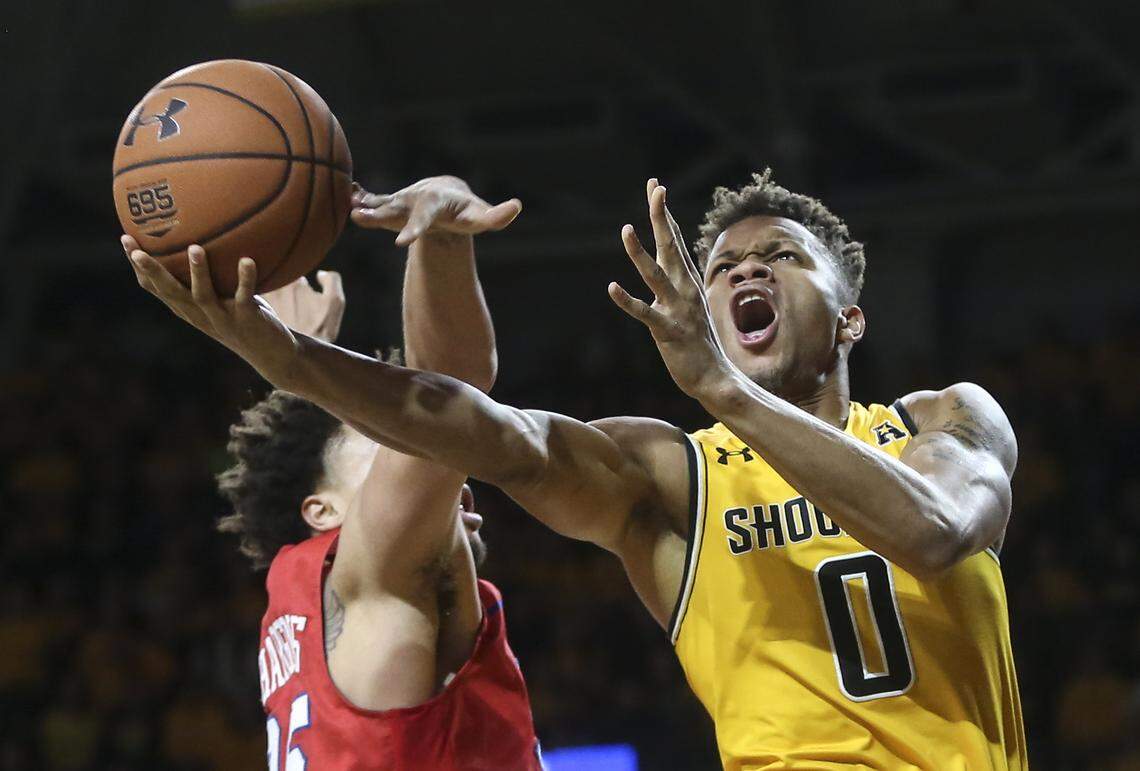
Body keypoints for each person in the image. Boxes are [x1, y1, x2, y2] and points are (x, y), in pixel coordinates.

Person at [127, 172, 1025, 769]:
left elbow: (934, 531)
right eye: (722, 267)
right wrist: (288, 361)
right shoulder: (670, 476)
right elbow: (480, 428)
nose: (747, 266)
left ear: (851, 318)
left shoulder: (941, 418)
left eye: (782, 256)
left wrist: (722, 386)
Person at [125, 176, 544, 771]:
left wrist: (306, 355)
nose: (447, 472)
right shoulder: (375, 574)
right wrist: (441, 235)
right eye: (383, 443)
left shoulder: (303, 608)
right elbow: (450, 404)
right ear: (322, 509)